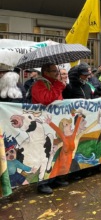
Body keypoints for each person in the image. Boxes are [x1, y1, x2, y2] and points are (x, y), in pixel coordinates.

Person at [30, 63, 68, 194]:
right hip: (44, 125)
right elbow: (46, 99)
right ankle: (42, 182)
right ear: (46, 72)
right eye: (54, 71)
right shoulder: (39, 85)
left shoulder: (52, 84)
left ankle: (54, 177)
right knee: (45, 152)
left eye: (57, 71)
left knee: (56, 150)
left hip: (54, 123)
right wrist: (59, 85)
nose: (57, 74)